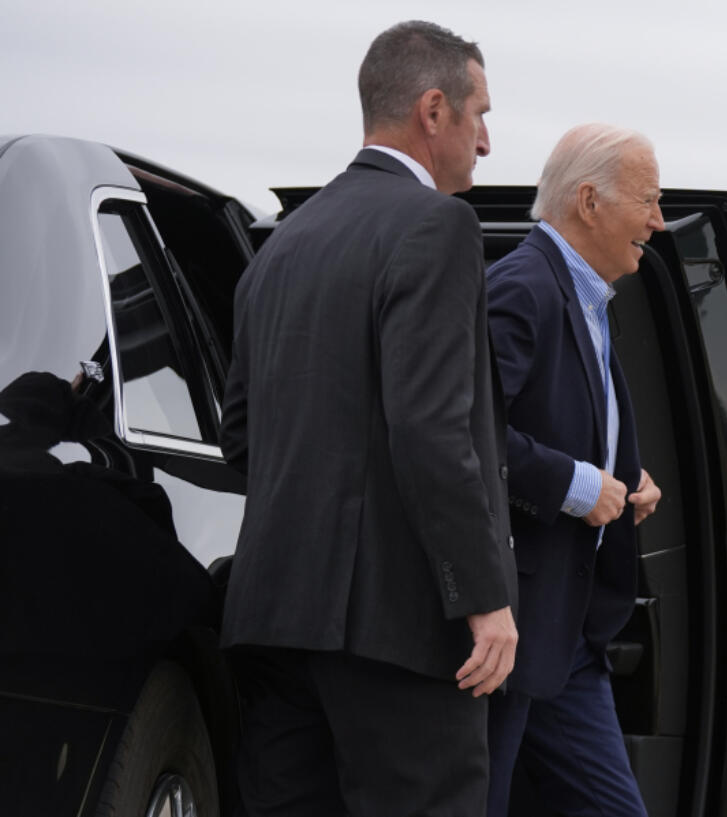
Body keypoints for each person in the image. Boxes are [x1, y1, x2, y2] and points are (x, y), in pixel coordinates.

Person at [219, 21, 518, 817]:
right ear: (433, 110)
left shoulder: (284, 242)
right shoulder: (439, 226)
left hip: (275, 619)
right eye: (479, 113)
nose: (486, 140)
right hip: (401, 631)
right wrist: (484, 597)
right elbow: (428, 429)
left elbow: (241, 437)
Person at [484, 123, 664, 817]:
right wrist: (579, 486)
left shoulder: (588, 297)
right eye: (647, 200)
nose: (656, 220)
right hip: (506, 625)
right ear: (589, 201)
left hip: (568, 635)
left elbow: (564, 420)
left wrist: (627, 477)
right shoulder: (520, 288)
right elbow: (466, 435)